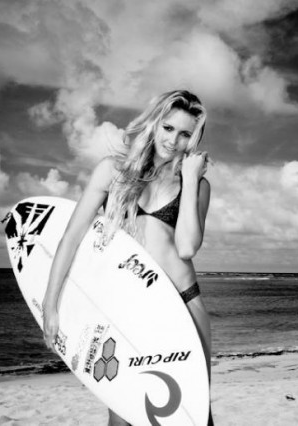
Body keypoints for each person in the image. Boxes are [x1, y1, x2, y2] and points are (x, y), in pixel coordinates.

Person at [41, 90, 213, 425]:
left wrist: (191, 179)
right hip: (128, 309)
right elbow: (71, 237)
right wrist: (50, 304)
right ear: (154, 124)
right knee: (122, 417)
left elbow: (187, 248)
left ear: (193, 140)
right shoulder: (113, 171)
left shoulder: (196, 184)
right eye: (168, 128)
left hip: (183, 305)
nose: (173, 140)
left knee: (192, 418)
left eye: (185, 134)